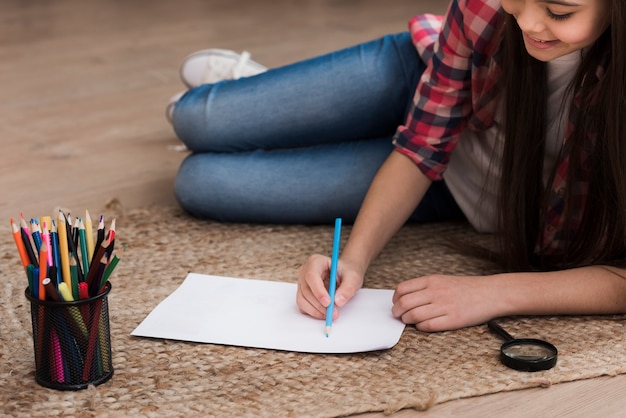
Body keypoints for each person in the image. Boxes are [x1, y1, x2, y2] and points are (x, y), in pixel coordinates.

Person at [169, 0, 626, 332]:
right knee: (195, 118)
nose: (525, 20)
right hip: (423, 78)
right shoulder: (489, 10)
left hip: (462, 183)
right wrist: (353, 258)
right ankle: (264, 89)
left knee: (200, 183)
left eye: (559, 11)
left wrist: (494, 292)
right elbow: (419, 146)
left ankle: (290, 111)